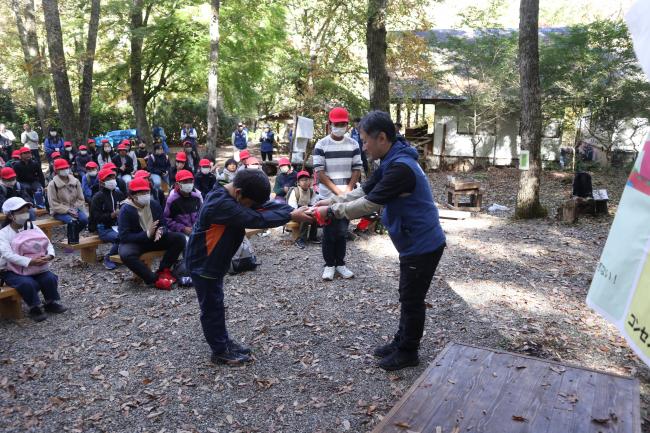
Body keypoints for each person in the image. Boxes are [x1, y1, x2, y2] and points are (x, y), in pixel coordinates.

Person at [312, 111, 446, 371]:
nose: (363, 146)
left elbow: (369, 204)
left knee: (411, 298)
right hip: (412, 241)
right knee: (407, 295)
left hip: (423, 243)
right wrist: (329, 201)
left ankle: (408, 351)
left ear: (381, 137)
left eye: (364, 140)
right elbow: (364, 190)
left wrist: (328, 212)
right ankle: (401, 341)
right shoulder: (391, 159)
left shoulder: (400, 168)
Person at [185, 169, 313, 365]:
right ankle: (219, 351)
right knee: (212, 308)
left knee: (217, 304)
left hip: (215, 263)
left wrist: (292, 211)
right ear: (239, 193)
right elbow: (256, 218)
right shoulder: (219, 204)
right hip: (204, 264)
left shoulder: (233, 197)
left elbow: (265, 207)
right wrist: (291, 216)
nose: (252, 206)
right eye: (250, 203)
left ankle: (224, 342)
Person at [312, 107, 362, 281]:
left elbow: (357, 168)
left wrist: (348, 190)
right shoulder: (321, 145)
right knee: (328, 232)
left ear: (347, 125)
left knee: (342, 230)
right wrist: (337, 192)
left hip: (348, 194)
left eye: (343, 124)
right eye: (336, 124)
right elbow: (319, 172)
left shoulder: (354, 144)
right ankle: (329, 265)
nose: (340, 126)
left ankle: (340, 263)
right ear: (329, 124)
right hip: (327, 196)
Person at [0, 197, 66, 322]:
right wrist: (30, 261)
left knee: (49, 278)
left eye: (26, 211)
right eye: (20, 212)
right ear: (10, 215)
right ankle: (34, 307)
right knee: (28, 283)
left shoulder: (32, 227)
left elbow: (47, 243)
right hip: (12, 270)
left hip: (36, 268)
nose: (25, 214)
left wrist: (49, 256)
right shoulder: (3, 233)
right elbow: (8, 255)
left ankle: (50, 303)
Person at [117, 177, 186, 289]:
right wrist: (147, 234)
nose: (146, 195)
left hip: (154, 239)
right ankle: (153, 279)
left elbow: (163, 224)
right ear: (133, 195)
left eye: (147, 191)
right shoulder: (125, 210)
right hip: (137, 242)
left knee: (179, 238)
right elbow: (124, 236)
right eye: (142, 192)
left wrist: (161, 231)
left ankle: (164, 269)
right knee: (126, 254)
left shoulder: (153, 204)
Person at [90, 169, 125, 270]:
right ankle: (108, 257)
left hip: (119, 226)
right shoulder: (97, 197)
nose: (112, 180)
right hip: (104, 228)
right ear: (101, 182)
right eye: (108, 178)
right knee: (120, 237)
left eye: (113, 177)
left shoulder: (119, 194)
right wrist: (111, 215)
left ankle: (127, 255)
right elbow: (95, 217)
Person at [47, 158, 88, 244]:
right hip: (59, 211)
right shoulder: (52, 184)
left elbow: (81, 198)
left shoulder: (75, 181)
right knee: (72, 221)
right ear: (56, 170)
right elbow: (53, 203)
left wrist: (74, 208)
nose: (64, 170)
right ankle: (72, 242)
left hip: (75, 208)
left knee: (84, 219)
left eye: (66, 168)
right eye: (61, 169)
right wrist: (67, 210)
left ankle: (72, 236)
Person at [163, 170, 202, 236]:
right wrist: (182, 228)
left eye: (190, 181)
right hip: (180, 234)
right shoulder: (172, 200)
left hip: (197, 231)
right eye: (185, 182)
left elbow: (201, 214)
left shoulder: (197, 197)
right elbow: (167, 220)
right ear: (178, 184)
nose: (188, 184)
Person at [287, 170, 319, 249]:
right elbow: (292, 207)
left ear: (310, 181)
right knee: (304, 217)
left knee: (316, 215)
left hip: (306, 210)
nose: (305, 182)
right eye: (302, 180)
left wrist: (312, 211)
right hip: (294, 213)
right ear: (298, 182)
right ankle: (301, 239)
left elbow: (313, 204)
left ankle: (312, 237)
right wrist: (304, 212)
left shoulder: (311, 191)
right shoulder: (295, 191)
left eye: (307, 180)